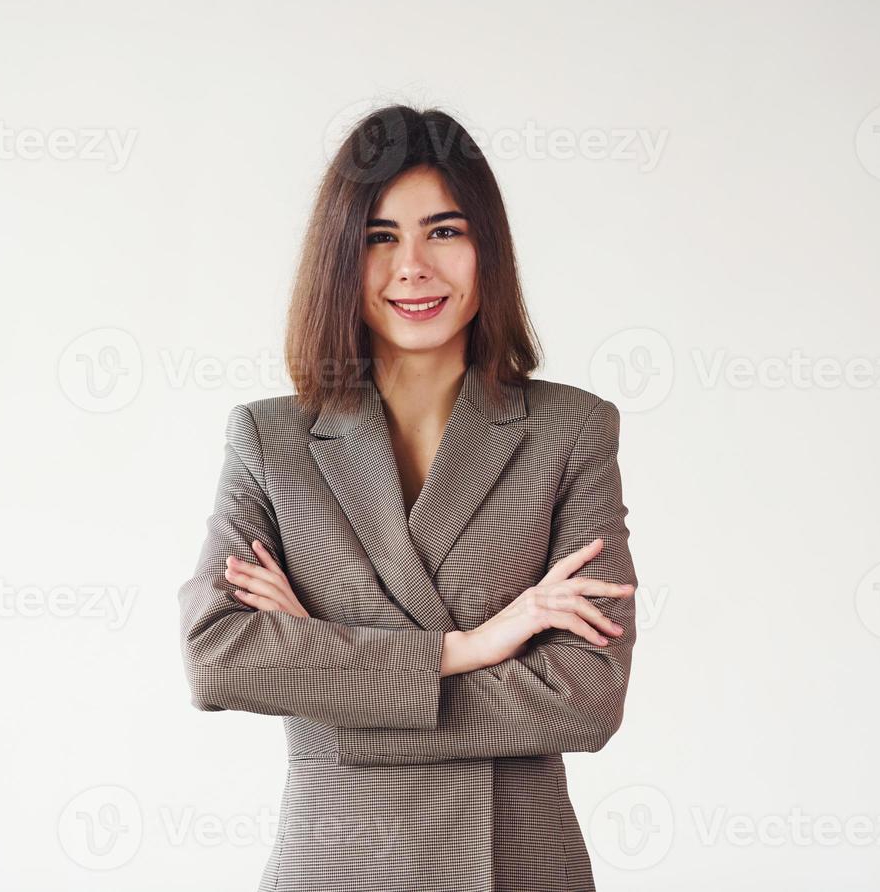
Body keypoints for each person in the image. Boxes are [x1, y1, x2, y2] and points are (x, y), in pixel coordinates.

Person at [177, 104, 638, 891]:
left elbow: (585, 701)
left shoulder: (571, 431)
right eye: (379, 238)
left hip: (515, 864)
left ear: (487, 247)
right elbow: (217, 658)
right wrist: (477, 645)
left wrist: (324, 666)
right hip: (337, 866)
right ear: (338, 259)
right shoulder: (272, 439)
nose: (413, 266)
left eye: (445, 232)